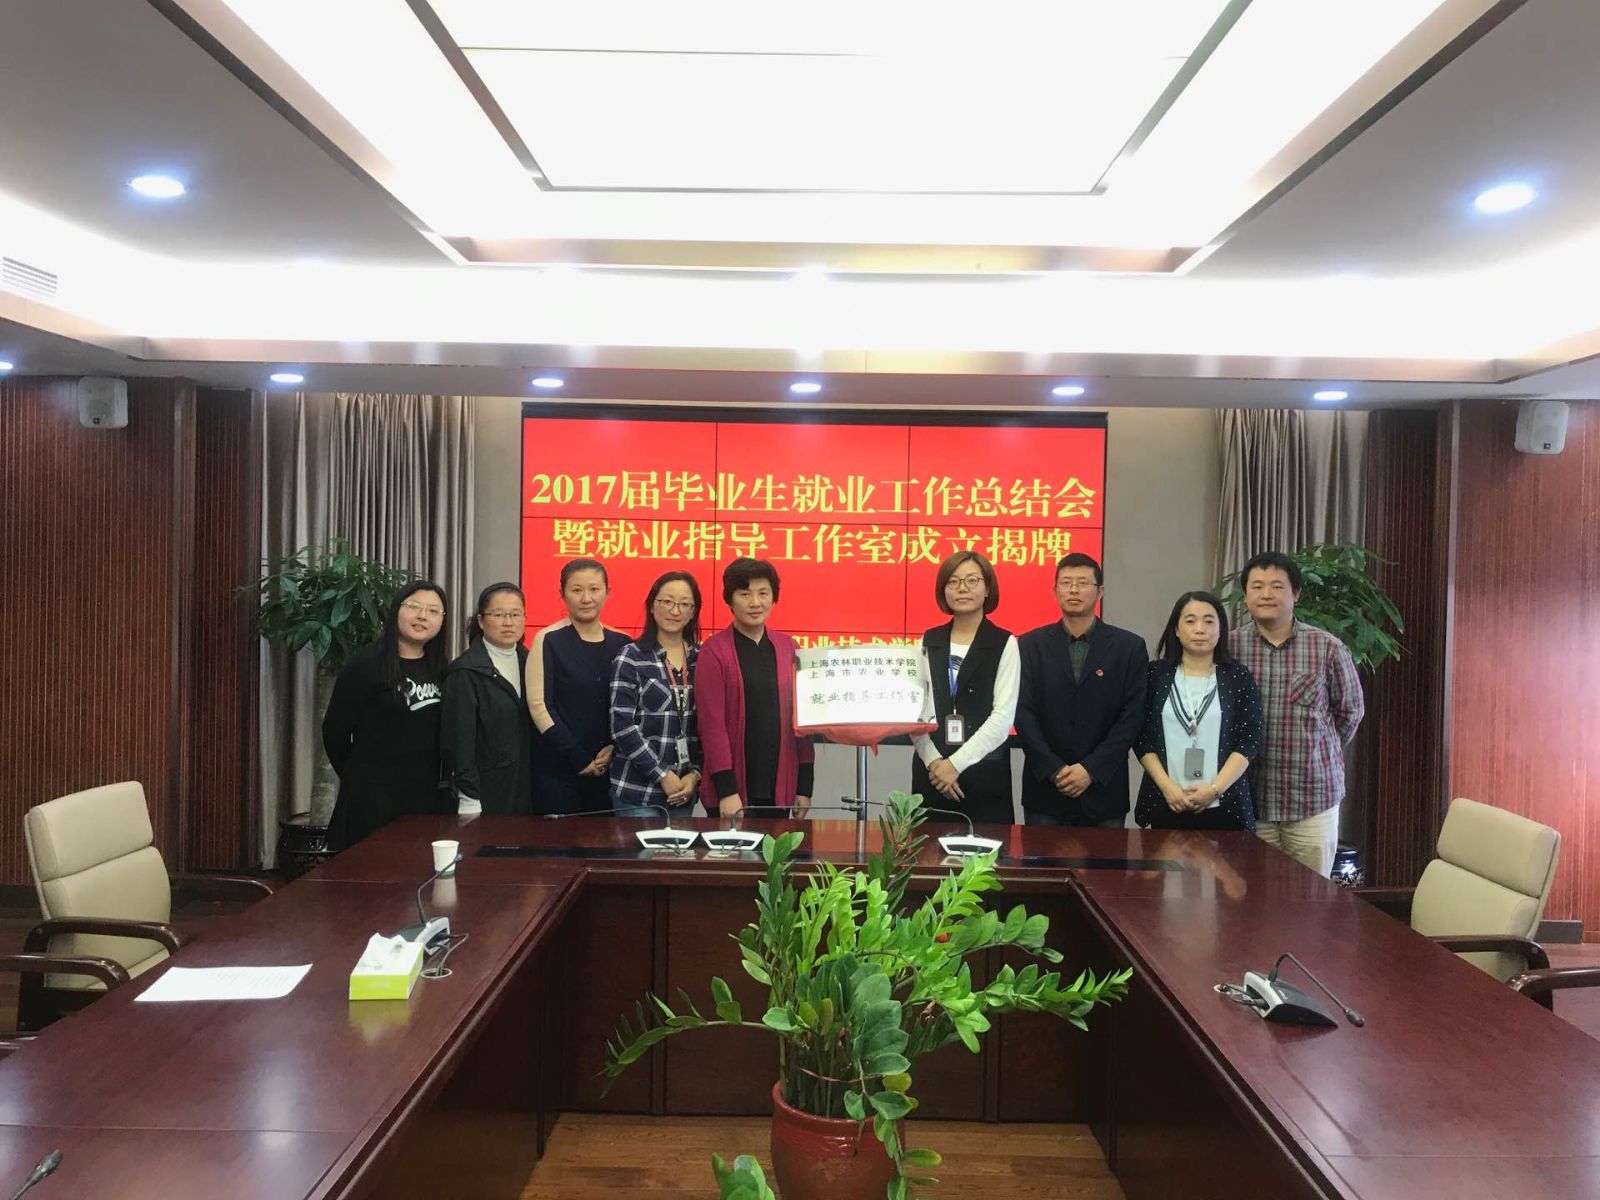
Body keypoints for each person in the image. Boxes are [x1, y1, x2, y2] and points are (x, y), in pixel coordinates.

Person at [1229, 550, 1364, 875]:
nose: (1266, 594)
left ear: (1296, 594)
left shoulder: (1328, 648)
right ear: (1245, 596)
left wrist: (1317, 751)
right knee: (1251, 897)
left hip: (1312, 800)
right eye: (1257, 586)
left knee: (1309, 898)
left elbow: (1350, 712)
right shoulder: (1229, 648)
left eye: (1277, 586)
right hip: (1251, 799)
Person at [1015, 553, 1147, 827]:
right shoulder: (1029, 645)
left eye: (1083, 583)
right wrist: (1054, 768)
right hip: (1046, 792)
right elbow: (1022, 712)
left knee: (1106, 858)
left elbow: (1132, 716)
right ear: (1055, 591)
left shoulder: (1128, 647)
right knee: (1040, 858)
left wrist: (1091, 769)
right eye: (1066, 583)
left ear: (1100, 591)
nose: (1074, 590)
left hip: (1103, 791)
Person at [322, 580, 450, 851]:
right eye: (413, 606)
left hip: (423, 798)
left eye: (433, 611)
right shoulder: (365, 666)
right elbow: (334, 732)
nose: (422, 616)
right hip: (372, 799)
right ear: (396, 611)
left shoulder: (441, 667)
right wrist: (361, 777)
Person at [696, 558, 815, 819]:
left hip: (779, 786)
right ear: (730, 600)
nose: (755, 603)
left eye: (763, 593)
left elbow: (802, 723)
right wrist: (727, 790)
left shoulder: (789, 648)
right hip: (732, 791)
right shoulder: (713, 651)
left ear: (774, 597)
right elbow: (712, 726)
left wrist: (804, 786)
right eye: (745, 594)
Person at [1134, 591, 1262, 832]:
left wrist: (1215, 789)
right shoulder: (1155, 675)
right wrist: (1166, 787)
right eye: (1190, 621)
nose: (1200, 629)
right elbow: (1141, 737)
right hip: (1167, 801)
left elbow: (1250, 739)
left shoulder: (1238, 677)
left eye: (1209, 621)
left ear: (1221, 629)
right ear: (1176, 629)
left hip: (1224, 805)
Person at [911, 551, 1019, 825]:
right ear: (943, 590)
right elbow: (916, 711)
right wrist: (936, 764)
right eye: (953, 581)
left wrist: (954, 765)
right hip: (932, 774)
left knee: (986, 850)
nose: (962, 588)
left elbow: (1002, 717)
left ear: (987, 589)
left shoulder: (1004, 643)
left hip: (983, 773)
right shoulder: (928, 640)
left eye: (972, 580)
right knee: (926, 849)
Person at [527, 559, 632, 814]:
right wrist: (577, 756)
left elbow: (629, 707)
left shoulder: (623, 643)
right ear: (562, 594)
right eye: (576, 590)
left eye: (594, 589)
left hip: (609, 770)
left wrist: (614, 747)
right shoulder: (548, 639)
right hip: (558, 769)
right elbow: (540, 706)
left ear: (607, 592)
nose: (586, 598)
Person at [609, 571, 704, 816]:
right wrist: (662, 774)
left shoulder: (702, 660)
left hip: (683, 792)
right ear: (652, 606)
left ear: (693, 612)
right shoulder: (631, 656)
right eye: (667, 601)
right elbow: (622, 726)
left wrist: (695, 775)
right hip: (637, 794)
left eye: (684, 604)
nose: (675, 610)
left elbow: (709, 727)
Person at [441, 582, 534, 817]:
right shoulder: (465, 672)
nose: (508, 622)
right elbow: (459, 741)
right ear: (481, 621)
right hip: (486, 791)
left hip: (527, 787)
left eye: (515, 614)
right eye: (499, 615)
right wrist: (468, 795)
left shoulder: (532, 662)